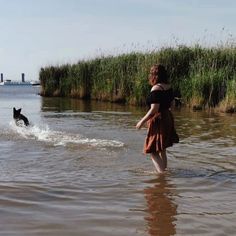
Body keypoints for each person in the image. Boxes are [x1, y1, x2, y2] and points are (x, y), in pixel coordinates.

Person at [136, 64, 178, 173]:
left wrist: (142, 121)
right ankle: (164, 173)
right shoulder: (169, 87)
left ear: (154, 75)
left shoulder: (156, 88)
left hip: (159, 119)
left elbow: (154, 109)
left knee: (153, 151)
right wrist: (168, 116)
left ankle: (162, 176)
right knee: (162, 150)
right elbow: (172, 104)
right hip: (167, 117)